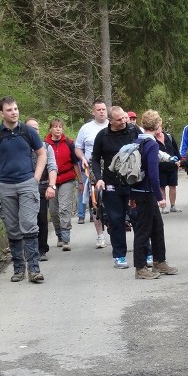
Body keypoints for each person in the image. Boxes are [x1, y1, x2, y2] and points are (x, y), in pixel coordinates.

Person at [0, 96, 47, 283]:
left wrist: (36, 178)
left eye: (15, 109)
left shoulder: (28, 131)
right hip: (4, 186)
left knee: (29, 226)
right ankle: (18, 269)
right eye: (9, 110)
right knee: (13, 228)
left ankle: (34, 269)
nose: (14, 112)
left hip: (27, 184)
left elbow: (42, 153)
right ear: (1, 113)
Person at [91, 105, 142, 269]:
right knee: (116, 220)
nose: (123, 121)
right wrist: (98, 179)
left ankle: (145, 252)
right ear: (110, 121)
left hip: (133, 182)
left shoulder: (134, 131)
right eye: (119, 119)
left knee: (137, 217)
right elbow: (95, 159)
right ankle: (119, 255)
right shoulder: (102, 136)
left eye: (125, 118)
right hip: (111, 184)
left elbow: (145, 149)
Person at [130, 110, 178, 279]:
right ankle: (140, 268)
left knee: (157, 227)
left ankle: (159, 261)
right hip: (146, 192)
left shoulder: (138, 141)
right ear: (158, 126)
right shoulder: (151, 144)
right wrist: (160, 197)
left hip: (139, 190)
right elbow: (153, 173)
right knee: (143, 230)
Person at [44, 118, 81, 253]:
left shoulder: (69, 143)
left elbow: (75, 163)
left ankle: (66, 239)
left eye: (60, 127)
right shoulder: (45, 144)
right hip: (51, 180)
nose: (58, 129)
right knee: (53, 211)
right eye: (55, 127)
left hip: (67, 178)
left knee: (64, 208)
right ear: (51, 129)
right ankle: (59, 234)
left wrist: (80, 181)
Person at [74, 98, 108, 248]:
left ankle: (116, 230)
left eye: (104, 109)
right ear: (93, 112)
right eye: (98, 109)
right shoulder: (86, 128)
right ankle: (100, 235)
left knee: (113, 201)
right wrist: (82, 158)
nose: (101, 112)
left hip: (111, 168)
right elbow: (78, 147)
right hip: (92, 169)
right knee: (96, 202)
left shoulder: (113, 125)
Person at [24, 118, 58, 259]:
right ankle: (28, 249)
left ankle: (42, 249)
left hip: (42, 186)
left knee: (41, 218)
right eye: (30, 128)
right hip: (24, 187)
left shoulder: (46, 147)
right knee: (25, 220)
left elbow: (52, 166)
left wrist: (51, 185)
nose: (34, 131)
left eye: (36, 128)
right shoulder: (21, 148)